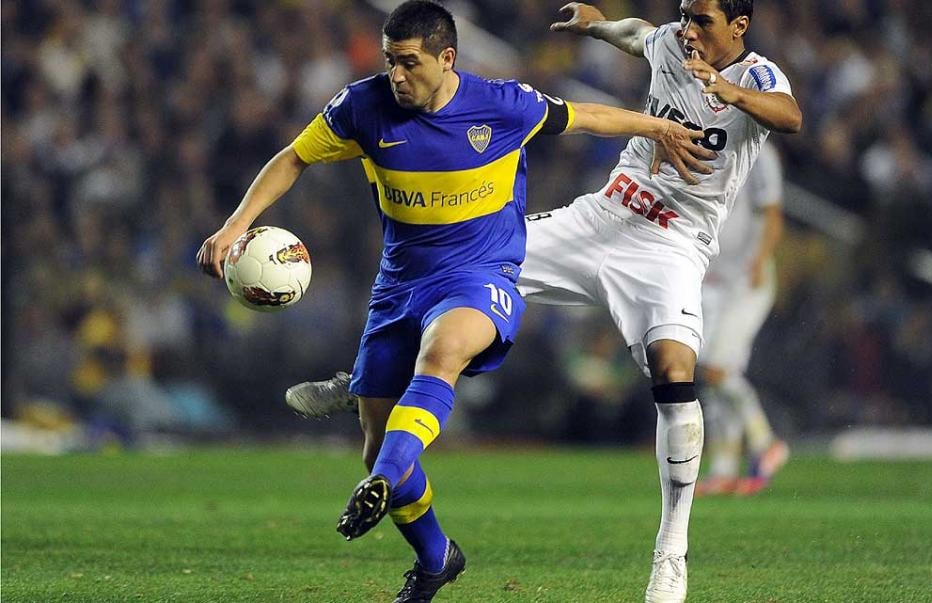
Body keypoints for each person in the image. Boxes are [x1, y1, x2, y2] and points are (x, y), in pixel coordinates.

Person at [286, 1, 800, 601]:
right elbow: (639, 34)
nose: (689, 28)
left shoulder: (758, 77)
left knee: (674, 369)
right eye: (685, 14)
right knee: (461, 260)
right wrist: (597, 24)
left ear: (738, 27)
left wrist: (728, 92)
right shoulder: (672, 44)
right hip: (602, 215)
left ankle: (671, 555)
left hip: (673, 243)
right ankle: (366, 382)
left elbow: (789, 115)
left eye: (703, 20)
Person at [693, 142, 789, 498]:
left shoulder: (760, 154)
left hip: (747, 280)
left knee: (718, 370)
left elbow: (773, 212)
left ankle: (766, 443)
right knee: (716, 377)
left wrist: (759, 260)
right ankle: (723, 469)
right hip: (712, 282)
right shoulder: (711, 146)